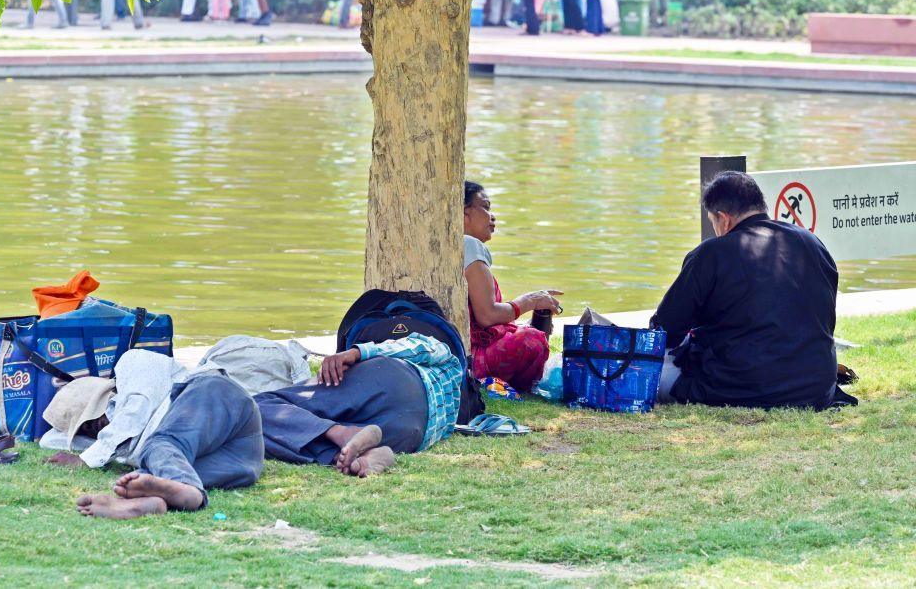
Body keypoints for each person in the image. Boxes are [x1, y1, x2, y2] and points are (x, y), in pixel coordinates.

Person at [652, 172, 839, 410]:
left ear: (723, 219)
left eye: (713, 222)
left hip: (739, 387)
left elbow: (664, 331)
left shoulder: (711, 254)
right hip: (815, 388)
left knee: (645, 371)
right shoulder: (813, 243)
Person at [43, 350, 264, 519]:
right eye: (89, 430)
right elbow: (48, 440)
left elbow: (138, 409)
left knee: (160, 445)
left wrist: (86, 459)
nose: (99, 428)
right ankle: (151, 501)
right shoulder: (127, 447)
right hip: (239, 462)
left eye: (93, 419)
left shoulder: (133, 363)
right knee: (145, 473)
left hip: (218, 398)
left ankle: (191, 496)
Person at [253, 333, 463, 474]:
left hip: (391, 381)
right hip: (411, 434)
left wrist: (357, 353)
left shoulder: (445, 354)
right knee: (259, 433)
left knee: (255, 408)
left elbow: (421, 346)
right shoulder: (454, 384)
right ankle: (352, 454)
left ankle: (342, 435)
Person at [463, 181, 562, 393]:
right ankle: (521, 385)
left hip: (464, 354)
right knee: (531, 339)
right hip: (471, 361)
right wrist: (529, 301)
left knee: (527, 330)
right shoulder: (469, 245)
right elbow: (487, 316)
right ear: (464, 213)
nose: (492, 216)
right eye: (486, 207)